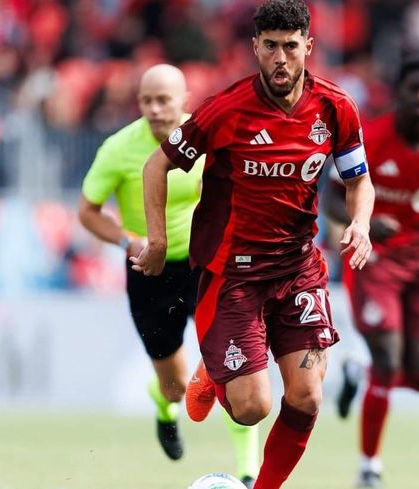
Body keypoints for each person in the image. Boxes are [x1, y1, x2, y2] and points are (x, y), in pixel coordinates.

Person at [130, 1, 375, 487]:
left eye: (291, 46)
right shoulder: (226, 109)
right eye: (270, 46)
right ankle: (212, 369)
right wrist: (157, 241)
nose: (281, 58)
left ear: (308, 46)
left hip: (298, 269)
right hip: (234, 275)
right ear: (255, 48)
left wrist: (361, 223)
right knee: (251, 408)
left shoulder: (335, 108)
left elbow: (358, 180)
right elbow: (157, 165)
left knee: (307, 396)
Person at [76, 64, 261, 485]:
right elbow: (87, 212)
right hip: (149, 271)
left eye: (164, 100)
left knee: (233, 368)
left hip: (205, 267)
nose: (155, 109)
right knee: (177, 386)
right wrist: (126, 240)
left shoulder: (205, 138)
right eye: (147, 100)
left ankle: (248, 472)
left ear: (184, 102)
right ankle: (164, 406)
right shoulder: (119, 149)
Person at [323, 56, 419, 489]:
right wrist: (362, 223)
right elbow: (330, 198)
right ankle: (369, 466)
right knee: (388, 360)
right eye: (413, 89)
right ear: (399, 92)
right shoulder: (369, 139)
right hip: (371, 260)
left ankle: (360, 374)